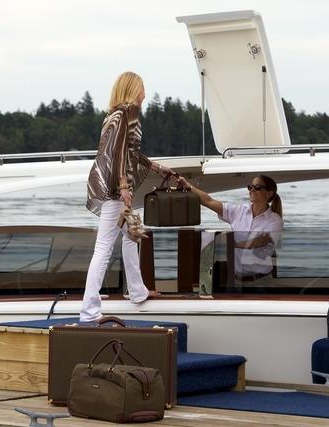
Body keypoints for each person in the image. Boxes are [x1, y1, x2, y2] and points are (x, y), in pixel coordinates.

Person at [80, 71, 172, 322]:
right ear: (133, 90)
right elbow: (120, 152)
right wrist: (123, 186)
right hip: (115, 189)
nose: (145, 94)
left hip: (111, 185)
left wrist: (155, 167)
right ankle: (89, 310)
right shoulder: (125, 113)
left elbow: (130, 151)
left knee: (131, 237)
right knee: (103, 248)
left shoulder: (114, 115)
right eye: (142, 88)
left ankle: (137, 291)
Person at [178, 174, 283, 284]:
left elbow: (259, 241)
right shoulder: (239, 211)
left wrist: (230, 244)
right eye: (250, 187)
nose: (252, 190)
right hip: (236, 280)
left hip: (262, 282)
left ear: (269, 193)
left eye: (257, 187)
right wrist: (189, 186)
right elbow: (209, 201)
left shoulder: (275, 220)